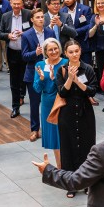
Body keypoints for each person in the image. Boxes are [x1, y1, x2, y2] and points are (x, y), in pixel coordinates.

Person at [56, 39, 97, 198]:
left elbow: (92, 91)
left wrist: (78, 82)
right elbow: (62, 92)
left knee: (87, 146)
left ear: (80, 51)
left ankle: (86, 182)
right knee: (68, 147)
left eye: (76, 51)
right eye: (70, 52)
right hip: (67, 113)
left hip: (85, 111)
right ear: (65, 53)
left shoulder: (87, 69)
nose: (74, 54)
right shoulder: (62, 70)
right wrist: (69, 79)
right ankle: (71, 184)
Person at [21, 9, 55, 142]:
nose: (41, 19)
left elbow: (56, 49)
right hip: (33, 72)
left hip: (50, 71)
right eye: (38, 17)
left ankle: (51, 126)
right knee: (35, 103)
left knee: (50, 100)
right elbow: (24, 56)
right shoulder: (26, 35)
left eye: (42, 17)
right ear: (32, 20)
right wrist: (35, 53)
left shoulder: (50, 32)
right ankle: (35, 130)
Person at [33, 38, 67, 168]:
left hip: (63, 103)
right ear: (45, 52)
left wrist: (54, 79)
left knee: (64, 134)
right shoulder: (40, 65)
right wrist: (42, 78)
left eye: (56, 48)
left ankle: (67, 163)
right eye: (50, 50)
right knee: (54, 137)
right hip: (48, 104)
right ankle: (60, 166)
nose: (54, 51)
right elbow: (36, 89)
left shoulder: (66, 63)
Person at [0, 0, 32, 118]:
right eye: (14, 4)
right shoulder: (5, 16)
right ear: (10, 3)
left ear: (22, 3)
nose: (16, 6)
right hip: (12, 52)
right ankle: (15, 107)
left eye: (19, 4)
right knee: (14, 81)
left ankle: (27, 99)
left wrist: (25, 33)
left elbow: (36, 29)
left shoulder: (29, 14)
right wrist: (8, 36)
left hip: (27, 52)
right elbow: (0, 33)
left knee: (27, 78)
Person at [62, 0, 93, 64]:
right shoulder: (62, 11)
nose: (67, 0)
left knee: (85, 69)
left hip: (83, 44)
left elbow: (89, 25)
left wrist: (74, 32)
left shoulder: (85, 9)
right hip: (68, 45)